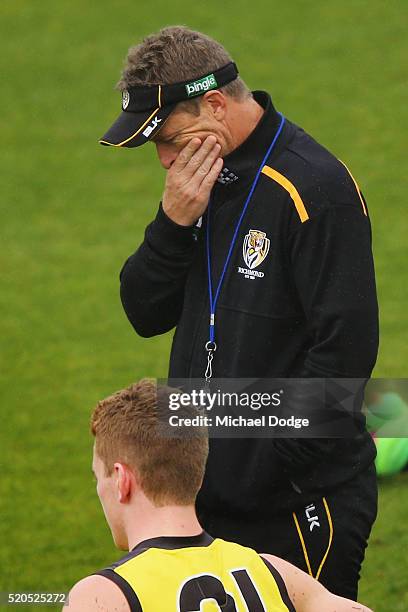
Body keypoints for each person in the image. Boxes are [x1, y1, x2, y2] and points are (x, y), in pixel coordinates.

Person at [99, 27, 379, 599]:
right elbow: (143, 311)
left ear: (215, 104)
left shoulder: (312, 189)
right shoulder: (198, 180)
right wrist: (172, 224)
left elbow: (345, 356)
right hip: (205, 496)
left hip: (294, 502)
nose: (165, 159)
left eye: (169, 138)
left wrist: (266, 469)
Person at [65, 379, 373, 611]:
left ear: (121, 479)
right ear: (196, 474)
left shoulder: (103, 596)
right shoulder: (274, 573)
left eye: (98, 475)